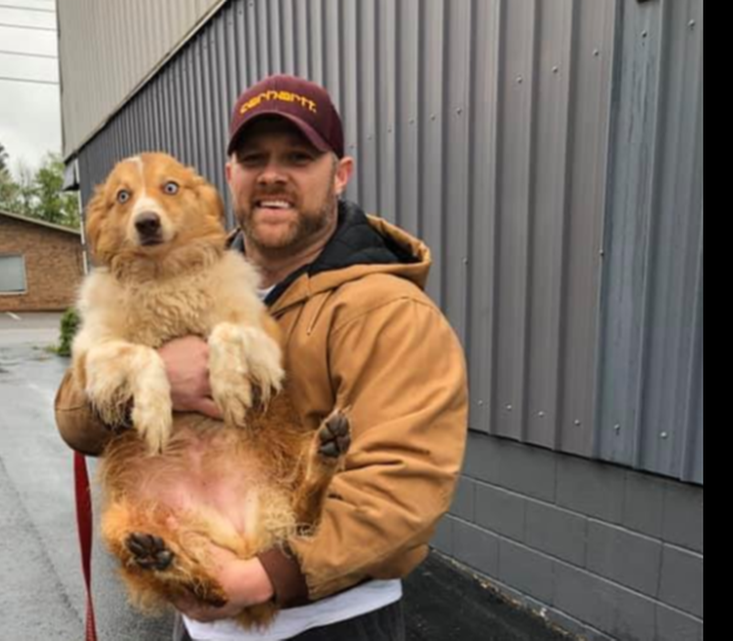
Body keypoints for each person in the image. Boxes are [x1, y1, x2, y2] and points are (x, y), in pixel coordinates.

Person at [56, 74, 469, 641]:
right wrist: (153, 384)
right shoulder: (178, 269)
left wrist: (261, 578)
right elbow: (75, 422)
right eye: (254, 158)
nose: (273, 174)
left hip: (331, 620)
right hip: (198, 606)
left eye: (298, 157)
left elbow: (405, 486)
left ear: (340, 173)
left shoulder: (387, 311)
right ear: (229, 177)